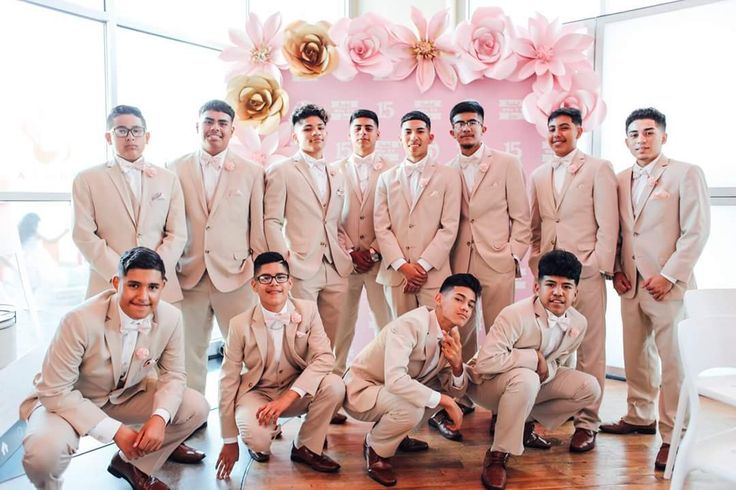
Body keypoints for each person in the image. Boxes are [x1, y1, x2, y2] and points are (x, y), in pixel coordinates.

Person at [19, 247, 209, 490]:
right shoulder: (77, 320)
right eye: (133, 285)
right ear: (117, 282)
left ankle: (131, 464)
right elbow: (54, 391)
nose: (143, 296)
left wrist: (160, 418)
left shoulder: (171, 317)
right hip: (66, 402)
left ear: (162, 285)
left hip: (124, 396)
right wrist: (115, 431)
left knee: (196, 407)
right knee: (42, 456)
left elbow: (173, 375)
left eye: (152, 287)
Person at [601, 107, 710, 471]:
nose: (641, 140)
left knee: (673, 364)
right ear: (626, 140)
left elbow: (696, 231)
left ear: (663, 136)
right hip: (630, 284)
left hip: (668, 287)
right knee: (637, 357)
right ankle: (639, 416)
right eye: (634, 134)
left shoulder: (685, 173)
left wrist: (670, 275)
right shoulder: (618, 178)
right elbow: (618, 230)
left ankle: (674, 435)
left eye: (649, 133)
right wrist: (616, 270)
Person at [436, 100, 532, 439]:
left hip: (497, 261)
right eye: (459, 123)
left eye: (472, 122)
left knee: (501, 332)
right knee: (459, 334)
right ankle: (460, 398)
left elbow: (522, 218)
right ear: (451, 131)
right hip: (460, 263)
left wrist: (512, 255)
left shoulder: (507, 163)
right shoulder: (446, 169)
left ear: (483, 127)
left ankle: (503, 402)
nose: (466, 128)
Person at [469, 250, 601, 490]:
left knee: (589, 387)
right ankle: (498, 455)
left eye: (566, 287)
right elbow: (485, 363)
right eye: (550, 284)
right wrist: (533, 358)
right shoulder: (514, 315)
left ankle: (524, 426)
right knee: (527, 377)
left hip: (531, 383)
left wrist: (545, 368)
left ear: (576, 292)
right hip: (486, 385)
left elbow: (560, 363)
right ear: (536, 287)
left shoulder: (578, 322)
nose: (558, 293)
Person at [528, 107, 618, 451]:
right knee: (546, 345)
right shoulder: (538, 173)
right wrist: (537, 261)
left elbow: (608, 225)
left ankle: (587, 422)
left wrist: (595, 266)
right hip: (549, 275)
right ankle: (543, 413)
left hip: (586, 273)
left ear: (579, 131)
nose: (556, 134)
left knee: (590, 348)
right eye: (551, 129)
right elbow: (536, 226)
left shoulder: (598, 169)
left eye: (564, 128)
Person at [167, 99, 266, 394]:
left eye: (222, 123)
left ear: (232, 130)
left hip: (237, 275)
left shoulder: (252, 172)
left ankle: (248, 410)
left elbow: (257, 226)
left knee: (248, 351)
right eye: (209, 121)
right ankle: (190, 416)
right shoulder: (173, 168)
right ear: (197, 126)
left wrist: (259, 274)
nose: (215, 128)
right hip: (189, 273)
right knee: (187, 352)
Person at [216, 252, 345, 478]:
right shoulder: (238, 325)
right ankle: (261, 439)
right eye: (265, 278)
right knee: (258, 440)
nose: (274, 283)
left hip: (295, 389)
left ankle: (306, 446)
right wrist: (229, 440)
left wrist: (287, 399)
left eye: (280, 277)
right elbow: (228, 380)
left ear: (290, 282)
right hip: (257, 392)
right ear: (254, 285)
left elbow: (324, 357)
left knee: (334, 385)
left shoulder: (308, 311)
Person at [344, 273, 480, 487]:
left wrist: (456, 364)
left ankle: (396, 436)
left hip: (389, 390)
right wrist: (446, 402)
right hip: (363, 388)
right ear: (438, 299)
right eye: (459, 299)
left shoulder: (452, 332)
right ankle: (376, 448)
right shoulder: (411, 324)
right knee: (414, 407)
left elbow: (455, 389)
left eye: (471, 305)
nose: (465, 308)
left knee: (433, 391)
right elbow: (396, 380)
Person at [264, 104, 352, 424]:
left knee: (330, 340)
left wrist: (346, 247)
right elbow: (271, 220)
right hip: (300, 266)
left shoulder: (336, 172)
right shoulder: (282, 170)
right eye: (307, 128)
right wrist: (282, 261)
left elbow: (334, 221)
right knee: (295, 340)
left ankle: (324, 402)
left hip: (335, 266)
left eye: (319, 128)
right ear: (295, 134)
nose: (315, 133)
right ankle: (280, 406)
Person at [72, 105, 186, 305]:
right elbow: (83, 235)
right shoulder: (87, 179)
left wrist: (153, 272)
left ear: (147, 136)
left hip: (159, 285)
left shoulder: (168, 179)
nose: (130, 137)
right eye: (121, 131)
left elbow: (177, 233)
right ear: (109, 137)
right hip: (108, 285)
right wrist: (122, 272)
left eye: (136, 130)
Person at [373, 110, 461, 319]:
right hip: (396, 276)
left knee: (436, 337)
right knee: (401, 338)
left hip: (433, 275)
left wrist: (420, 268)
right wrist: (403, 267)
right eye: (408, 132)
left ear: (430, 137)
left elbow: (449, 228)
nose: (414, 137)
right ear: (400, 138)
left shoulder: (449, 176)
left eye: (420, 131)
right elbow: (381, 228)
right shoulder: (386, 178)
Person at [331, 109, 394, 376]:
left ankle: (386, 377)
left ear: (378, 133)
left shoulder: (393, 171)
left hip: (379, 262)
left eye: (369, 128)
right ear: (348, 134)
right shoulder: (333, 171)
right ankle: (332, 382)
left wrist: (374, 251)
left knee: (386, 323)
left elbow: (396, 217)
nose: (363, 133)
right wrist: (349, 252)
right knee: (341, 326)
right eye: (357, 128)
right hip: (345, 263)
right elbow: (330, 218)